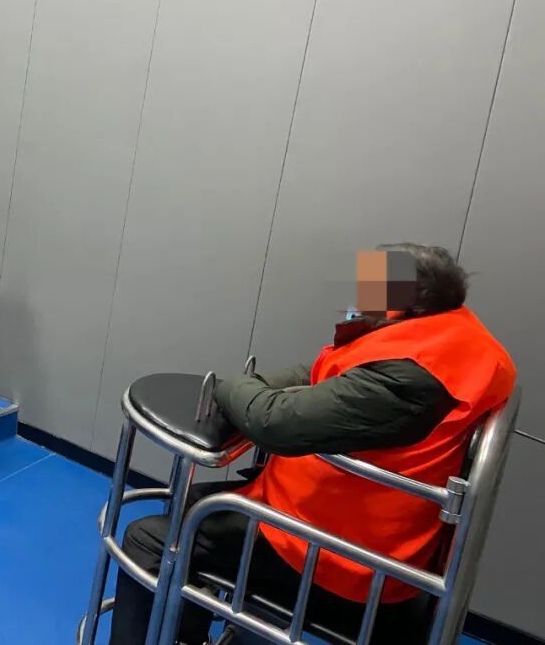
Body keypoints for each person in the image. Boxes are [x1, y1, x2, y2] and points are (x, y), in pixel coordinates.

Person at [109, 244, 516, 645]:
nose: (360, 297)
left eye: (373, 286)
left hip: (343, 562)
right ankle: (184, 634)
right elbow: (322, 374)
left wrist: (229, 388)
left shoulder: (409, 379)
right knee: (192, 502)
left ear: (403, 302)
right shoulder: (443, 340)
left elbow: (276, 424)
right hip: (345, 526)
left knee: (148, 539)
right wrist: (258, 389)